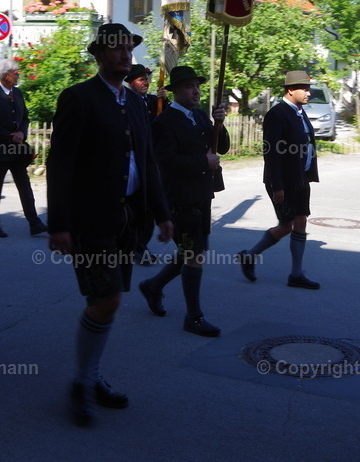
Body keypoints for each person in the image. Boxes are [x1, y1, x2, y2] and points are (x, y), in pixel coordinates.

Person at [47, 23, 174, 427]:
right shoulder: (79, 98)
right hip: (91, 220)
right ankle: (82, 384)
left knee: (104, 303)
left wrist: (163, 213)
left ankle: (92, 375)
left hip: (127, 221)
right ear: (99, 55)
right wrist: (59, 224)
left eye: (128, 48)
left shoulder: (136, 103)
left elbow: (148, 161)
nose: (124, 54)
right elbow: (60, 163)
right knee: (108, 301)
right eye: (115, 48)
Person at [138, 65, 230, 337]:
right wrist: (203, 161)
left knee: (194, 250)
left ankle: (153, 285)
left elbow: (221, 148)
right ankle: (194, 316)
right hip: (179, 198)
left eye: (197, 86)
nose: (195, 90)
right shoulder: (164, 122)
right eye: (189, 86)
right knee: (195, 254)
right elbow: (165, 161)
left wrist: (219, 124)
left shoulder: (200, 117)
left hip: (202, 195)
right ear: (175, 91)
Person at [237, 70, 320, 290]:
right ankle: (250, 255)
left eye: (309, 88)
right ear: (290, 89)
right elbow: (271, 153)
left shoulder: (299, 113)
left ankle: (296, 273)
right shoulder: (277, 114)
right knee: (286, 225)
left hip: (301, 178)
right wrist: (277, 185)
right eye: (304, 88)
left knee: (301, 221)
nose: (308, 92)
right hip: (283, 181)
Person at [0, 59, 47, 238]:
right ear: (5, 75)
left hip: (17, 149)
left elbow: (25, 118)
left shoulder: (17, 93)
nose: (19, 74)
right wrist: (10, 136)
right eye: (15, 72)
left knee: (24, 185)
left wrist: (21, 133)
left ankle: (34, 222)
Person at [125, 63, 164, 265]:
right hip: (133, 163)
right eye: (141, 79)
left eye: (147, 79)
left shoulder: (152, 101)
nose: (145, 83)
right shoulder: (126, 102)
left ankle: (141, 245)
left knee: (148, 209)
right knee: (134, 209)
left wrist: (163, 101)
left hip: (152, 160)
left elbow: (163, 123)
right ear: (131, 82)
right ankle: (133, 247)